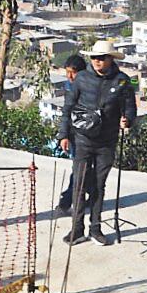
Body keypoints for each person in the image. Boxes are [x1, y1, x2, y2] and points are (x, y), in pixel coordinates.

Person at [58, 39, 137, 246]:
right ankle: (77, 229)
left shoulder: (122, 81)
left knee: (98, 186)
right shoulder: (81, 78)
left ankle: (95, 228)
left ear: (111, 59)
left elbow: (130, 107)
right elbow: (68, 107)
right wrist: (63, 135)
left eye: (101, 58)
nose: (97, 61)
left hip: (106, 142)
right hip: (82, 140)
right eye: (94, 57)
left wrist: (127, 120)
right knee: (79, 184)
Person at [56, 53, 89, 216]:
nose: (69, 76)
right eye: (67, 72)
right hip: (76, 135)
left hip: (91, 134)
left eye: (73, 72)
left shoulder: (91, 86)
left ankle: (89, 197)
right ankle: (66, 200)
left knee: (89, 170)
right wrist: (64, 136)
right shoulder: (70, 88)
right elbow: (67, 113)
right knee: (79, 170)